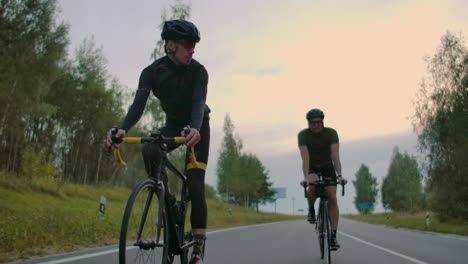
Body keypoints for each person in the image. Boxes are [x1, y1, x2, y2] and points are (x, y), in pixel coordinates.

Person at [106, 19, 210, 264]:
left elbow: (198, 104)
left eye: (194, 44)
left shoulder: (199, 71)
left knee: (195, 184)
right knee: (151, 144)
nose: (192, 49)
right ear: (171, 45)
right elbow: (138, 105)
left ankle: (197, 247)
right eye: (187, 44)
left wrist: (194, 129)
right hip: (174, 124)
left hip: (198, 124)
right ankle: (166, 197)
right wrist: (122, 129)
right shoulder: (152, 72)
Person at [298, 108, 347, 250]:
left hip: (327, 167)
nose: (316, 125)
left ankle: (333, 236)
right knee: (312, 184)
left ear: (323, 121)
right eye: (313, 123)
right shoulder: (303, 135)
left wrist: (339, 175)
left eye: (319, 122)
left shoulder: (331, 133)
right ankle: (311, 209)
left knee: (332, 196)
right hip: (312, 167)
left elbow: (335, 156)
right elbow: (305, 156)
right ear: (308, 123)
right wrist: (307, 177)